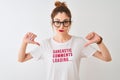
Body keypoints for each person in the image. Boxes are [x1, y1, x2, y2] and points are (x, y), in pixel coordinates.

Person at [18, 1, 112, 80]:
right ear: (52, 22)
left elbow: (107, 58)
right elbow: (21, 59)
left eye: (65, 22)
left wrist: (99, 41)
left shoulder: (79, 42)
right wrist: (24, 43)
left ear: (70, 23)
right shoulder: (45, 44)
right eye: (57, 22)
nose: (61, 26)